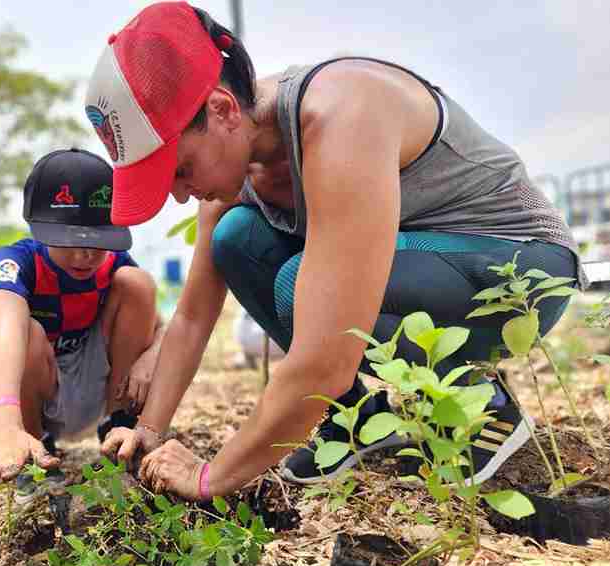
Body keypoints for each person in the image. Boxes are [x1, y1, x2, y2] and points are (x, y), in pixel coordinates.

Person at [86, 2, 587, 500]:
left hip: (517, 268)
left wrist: (210, 477)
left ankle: (482, 402)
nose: (177, 194)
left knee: (298, 284)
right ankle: (355, 414)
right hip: (419, 267)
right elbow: (193, 317)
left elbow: (324, 356)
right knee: (235, 239)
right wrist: (148, 431)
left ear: (221, 109)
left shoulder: (342, 114)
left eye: (180, 169)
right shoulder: (236, 165)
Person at [0, 148, 163, 511]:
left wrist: (151, 358)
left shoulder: (115, 267)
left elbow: (159, 327)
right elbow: (4, 327)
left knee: (138, 283)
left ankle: (119, 430)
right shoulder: (18, 262)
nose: (87, 255)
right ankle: (31, 452)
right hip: (44, 389)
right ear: (39, 228)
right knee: (25, 331)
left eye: (98, 240)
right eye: (72, 241)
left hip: (101, 382)